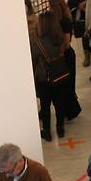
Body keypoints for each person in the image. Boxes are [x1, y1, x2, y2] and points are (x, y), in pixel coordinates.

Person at [30, 11, 69, 141]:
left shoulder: (38, 43)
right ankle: (60, 128)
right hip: (59, 76)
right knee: (60, 102)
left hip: (44, 79)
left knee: (45, 106)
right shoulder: (60, 39)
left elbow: (33, 60)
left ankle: (47, 132)